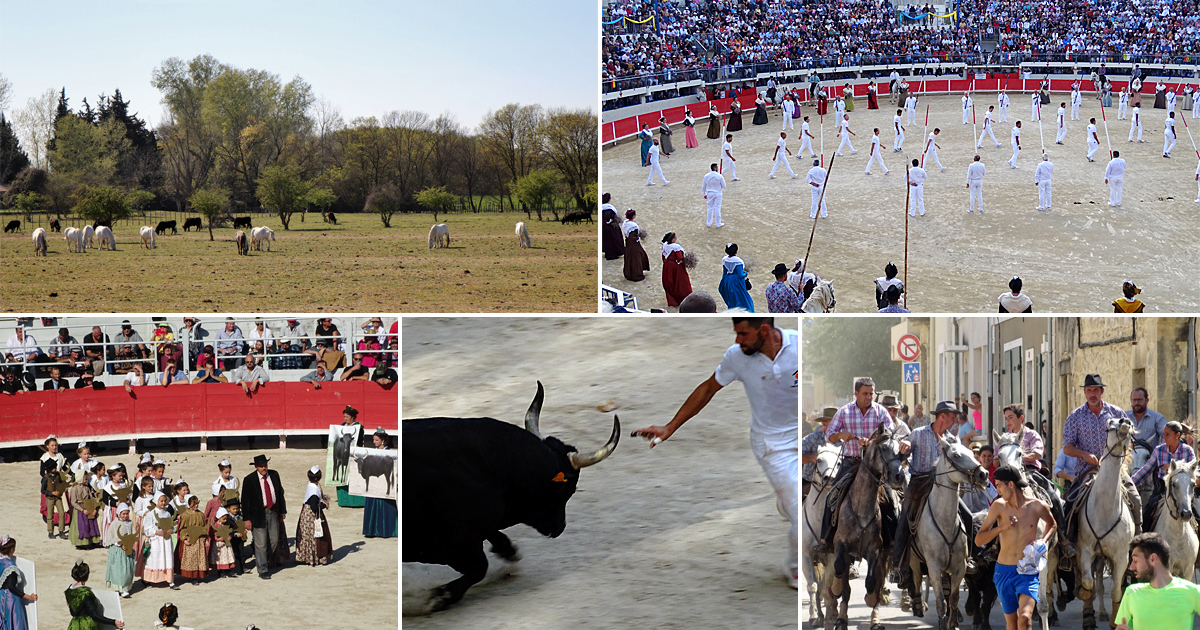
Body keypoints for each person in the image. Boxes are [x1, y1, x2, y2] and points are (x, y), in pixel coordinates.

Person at [634, 317, 798, 588]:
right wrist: (669, 427)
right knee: (802, 518)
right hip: (772, 447)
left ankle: (789, 498)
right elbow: (708, 388)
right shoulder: (737, 357)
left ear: (765, 331)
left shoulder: (799, 345)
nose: (737, 340)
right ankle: (795, 569)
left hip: (804, 439)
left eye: (743, 334)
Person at [894, 400, 982, 592]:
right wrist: (905, 446)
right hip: (919, 482)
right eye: (952, 418)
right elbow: (904, 454)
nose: (955, 422)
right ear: (942, 416)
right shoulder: (918, 433)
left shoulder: (953, 440)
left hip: (944, 487)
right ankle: (898, 566)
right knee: (904, 517)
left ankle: (970, 558)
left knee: (967, 516)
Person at [814, 376, 898, 553]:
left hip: (875, 466)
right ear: (856, 393)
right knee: (832, 497)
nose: (869, 397)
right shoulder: (844, 412)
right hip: (851, 462)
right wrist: (842, 435)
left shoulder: (881, 412)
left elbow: (890, 434)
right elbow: (829, 435)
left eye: (871, 394)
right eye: (865, 394)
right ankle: (826, 540)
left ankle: (892, 543)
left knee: (890, 499)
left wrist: (873, 441)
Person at [975, 465, 1056, 630]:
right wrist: (1001, 528)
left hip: (1027, 571)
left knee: (1025, 620)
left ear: (1011, 484)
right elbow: (978, 540)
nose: (996, 489)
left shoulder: (1037, 506)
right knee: (1012, 624)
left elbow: (1052, 524)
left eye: (998, 485)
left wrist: (1043, 541)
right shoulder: (998, 506)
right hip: (1003, 572)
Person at [1062, 374, 1143, 537]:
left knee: (1135, 498)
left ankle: (1138, 539)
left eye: (1096, 390)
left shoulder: (1117, 413)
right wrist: (1084, 454)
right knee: (1070, 505)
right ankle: (1068, 544)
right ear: (1084, 392)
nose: (1092, 394)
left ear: (1102, 391)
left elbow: (1130, 441)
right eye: (1089, 390)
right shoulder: (1075, 416)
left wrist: (1120, 454)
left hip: (1116, 470)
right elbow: (1067, 447)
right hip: (1087, 470)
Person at [1114, 532, 1200, 629]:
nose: (1131, 567)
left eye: (1135, 560)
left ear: (1152, 559)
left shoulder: (1193, 592)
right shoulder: (1131, 593)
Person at [1132, 421, 1196, 533]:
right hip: (1161, 491)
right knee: (1145, 520)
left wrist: (1173, 468)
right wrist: (1129, 484)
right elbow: (1145, 471)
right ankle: (1142, 546)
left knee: (1198, 518)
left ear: (1177, 435)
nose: (1164, 437)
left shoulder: (1188, 451)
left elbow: (1194, 472)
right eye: (1163, 434)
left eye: (1167, 434)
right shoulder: (1158, 450)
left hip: (1185, 491)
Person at [242, 454, 288, 579]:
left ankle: (263, 557)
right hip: (258, 514)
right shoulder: (249, 480)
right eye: (261, 466)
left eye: (265, 465)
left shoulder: (274, 475)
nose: (264, 468)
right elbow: (245, 501)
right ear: (256, 467)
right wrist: (246, 519)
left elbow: (279, 494)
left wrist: (282, 511)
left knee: (274, 540)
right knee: (261, 544)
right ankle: (262, 569)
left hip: (273, 511)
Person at [66, 560, 125, 629]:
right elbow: (94, 616)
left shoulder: (69, 590)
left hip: (74, 625)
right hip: (87, 626)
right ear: (87, 577)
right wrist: (113, 622)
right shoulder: (86, 594)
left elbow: (72, 612)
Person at [137, 491, 177, 590]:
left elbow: (173, 526)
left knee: (167, 559)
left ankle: (170, 580)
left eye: (164, 501)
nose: (163, 503)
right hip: (156, 541)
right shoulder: (150, 514)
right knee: (154, 559)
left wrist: (172, 530)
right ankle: (148, 579)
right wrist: (156, 532)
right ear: (156, 501)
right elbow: (146, 529)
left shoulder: (167, 513)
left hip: (166, 541)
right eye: (161, 501)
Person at [363, 429, 398, 538]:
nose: (374, 442)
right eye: (373, 440)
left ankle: (388, 530)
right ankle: (371, 530)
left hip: (383, 484)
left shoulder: (389, 453)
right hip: (374, 483)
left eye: (376, 440)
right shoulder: (371, 452)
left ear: (382, 441)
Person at [295, 466, 333, 565]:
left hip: (306, 513)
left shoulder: (311, 486)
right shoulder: (314, 491)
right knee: (316, 536)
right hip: (312, 516)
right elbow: (315, 507)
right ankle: (316, 558)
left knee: (307, 535)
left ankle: (307, 556)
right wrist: (324, 505)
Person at [0, 535, 37, 630]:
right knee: (14, 623)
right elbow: (11, 588)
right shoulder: (10, 566)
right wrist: (29, 597)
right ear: (12, 549)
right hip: (10, 600)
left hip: (1, 598)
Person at [103, 503, 136, 597]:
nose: (125, 516)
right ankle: (120, 588)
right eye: (123, 514)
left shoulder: (130, 523)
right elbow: (112, 537)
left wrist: (130, 542)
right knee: (119, 570)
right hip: (118, 552)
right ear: (118, 514)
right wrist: (120, 544)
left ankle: (125, 587)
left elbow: (133, 534)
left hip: (127, 550)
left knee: (127, 570)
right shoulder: (114, 524)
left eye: (127, 513)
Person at [718, 243, 754, 312]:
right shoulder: (738, 261)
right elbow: (740, 275)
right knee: (743, 298)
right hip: (737, 282)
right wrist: (746, 273)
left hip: (728, 280)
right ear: (736, 251)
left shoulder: (724, 259)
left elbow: (724, 273)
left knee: (732, 299)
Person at [661, 232, 693, 308]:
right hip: (676, 267)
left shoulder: (665, 245)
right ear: (672, 239)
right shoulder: (676, 247)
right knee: (681, 282)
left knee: (669, 282)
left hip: (667, 266)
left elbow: (663, 256)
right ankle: (682, 298)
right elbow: (680, 258)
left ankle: (672, 300)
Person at [622, 209, 649, 282]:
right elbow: (632, 237)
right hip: (633, 244)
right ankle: (636, 274)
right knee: (636, 258)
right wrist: (638, 238)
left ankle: (629, 273)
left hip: (628, 242)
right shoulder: (633, 226)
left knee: (629, 256)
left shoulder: (625, 223)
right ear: (633, 216)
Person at [702, 164, 727, 228]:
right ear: (715, 168)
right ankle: (718, 223)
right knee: (717, 208)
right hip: (718, 193)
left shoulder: (706, 176)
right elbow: (724, 186)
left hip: (710, 193)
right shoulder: (719, 176)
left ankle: (708, 223)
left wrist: (704, 194)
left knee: (710, 208)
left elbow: (704, 186)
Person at [600, 193, 624, 260]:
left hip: (602, 226)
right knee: (613, 239)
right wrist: (611, 221)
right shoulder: (609, 208)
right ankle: (612, 254)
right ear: (609, 199)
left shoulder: (601, 207)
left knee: (605, 239)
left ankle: (607, 251)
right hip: (609, 227)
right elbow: (608, 217)